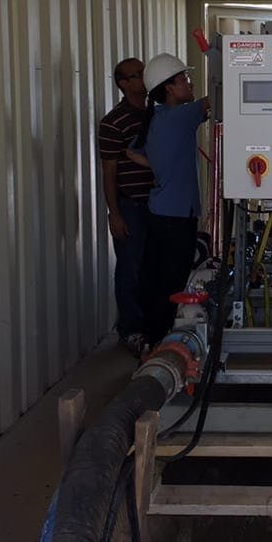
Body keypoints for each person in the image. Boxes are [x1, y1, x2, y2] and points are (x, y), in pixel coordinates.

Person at [134, 53, 210, 345]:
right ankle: (162, 345)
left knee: (159, 279)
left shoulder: (159, 118)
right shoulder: (181, 115)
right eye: (183, 79)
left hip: (162, 211)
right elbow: (211, 101)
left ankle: (154, 342)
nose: (189, 83)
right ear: (169, 87)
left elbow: (136, 154)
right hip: (176, 216)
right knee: (171, 282)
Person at [98, 58, 154, 355]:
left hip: (158, 205)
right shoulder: (112, 123)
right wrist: (115, 214)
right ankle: (131, 329)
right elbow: (109, 172)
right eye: (139, 74)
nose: (145, 78)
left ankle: (152, 327)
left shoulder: (156, 113)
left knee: (154, 268)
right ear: (124, 83)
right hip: (130, 206)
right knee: (130, 269)